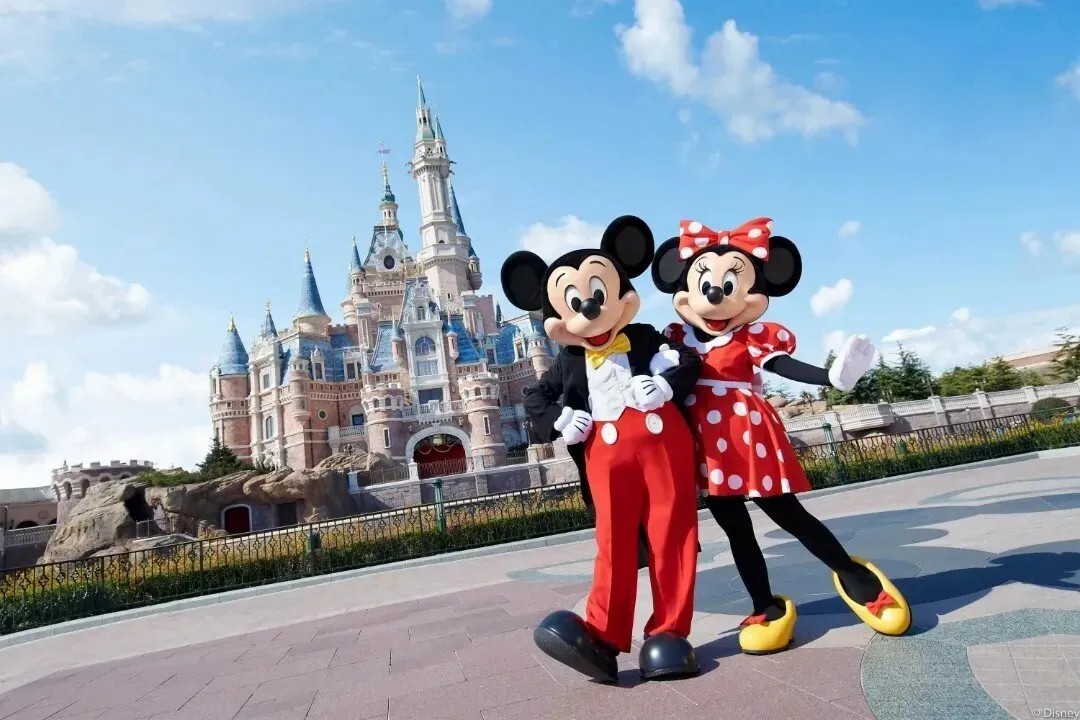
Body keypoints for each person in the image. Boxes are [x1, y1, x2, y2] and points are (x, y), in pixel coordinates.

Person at [650, 216, 912, 654]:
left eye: (728, 284)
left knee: (790, 515)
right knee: (736, 531)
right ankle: (763, 605)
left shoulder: (752, 337)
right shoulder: (677, 338)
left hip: (745, 435)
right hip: (705, 448)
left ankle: (854, 576)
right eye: (704, 284)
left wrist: (831, 378)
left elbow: (781, 365)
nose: (714, 294)